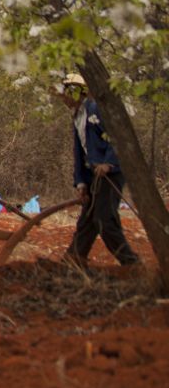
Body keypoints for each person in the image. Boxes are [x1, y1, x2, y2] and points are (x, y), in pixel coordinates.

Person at [55, 72, 140, 268]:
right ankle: (73, 259)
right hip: (94, 174)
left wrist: (109, 163)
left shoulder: (96, 110)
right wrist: (81, 183)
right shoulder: (77, 117)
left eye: (66, 93)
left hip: (110, 173)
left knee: (103, 219)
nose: (64, 98)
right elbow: (80, 153)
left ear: (77, 93)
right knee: (87, 219)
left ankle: (131, 263)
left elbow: (116, 136)